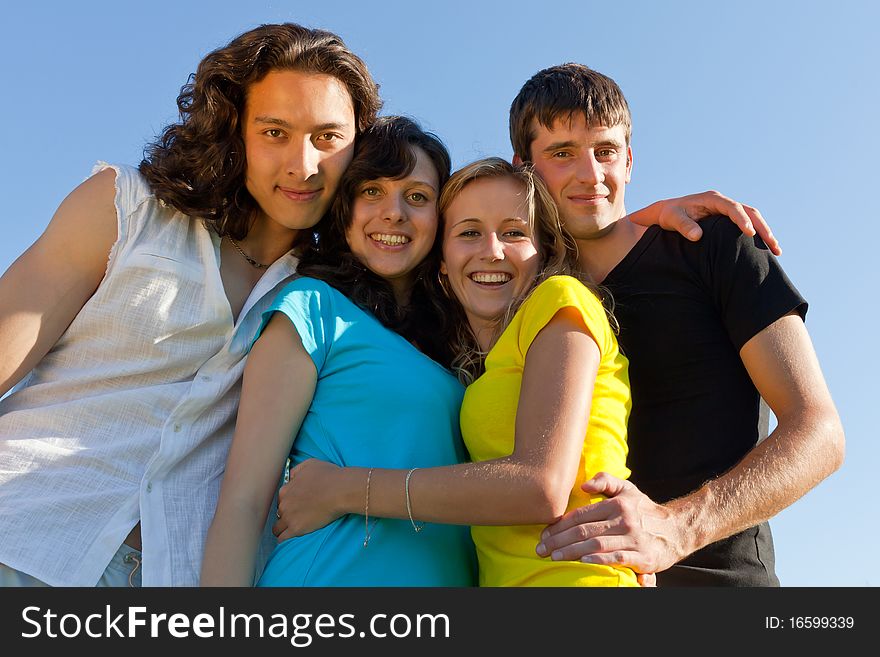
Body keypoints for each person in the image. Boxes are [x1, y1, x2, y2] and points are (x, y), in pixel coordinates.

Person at [0, 22, 381, 587]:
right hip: (27, 536)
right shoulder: (125, 209)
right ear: (234, 131)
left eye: (327, 138)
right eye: (275, 132)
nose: (304, 164)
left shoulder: (336, 303)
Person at [507, 63, 845, 585]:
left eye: (606, 151)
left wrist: (677, 527)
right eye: (561, 153)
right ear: (523, 169)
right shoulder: (520, 297)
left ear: (630, 160)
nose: (590, 174)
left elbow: (820, 434)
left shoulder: (714, 246)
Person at [272, 157, 640, 587]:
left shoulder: (560, 299)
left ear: (544, 251)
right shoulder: (475, 372)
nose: (493, 251)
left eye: (514, 232)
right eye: (469, 233)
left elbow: (540, 487)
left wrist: (342, 490)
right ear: (441, 262)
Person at [200, 116, 477, 587]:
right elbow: (244, 503)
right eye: (372, 191)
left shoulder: (461, 345)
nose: (394, 213)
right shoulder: (311, 307)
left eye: (417, 197)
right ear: (343, 208)